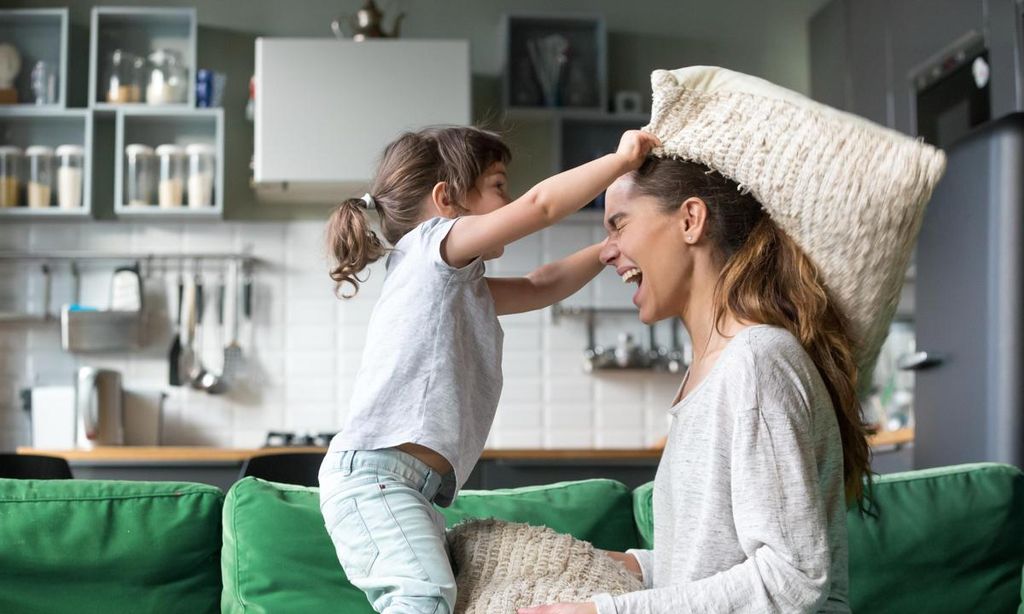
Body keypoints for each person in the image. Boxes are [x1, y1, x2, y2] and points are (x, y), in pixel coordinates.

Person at [519, 65, 944, 614]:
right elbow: (707, 565)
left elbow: (793, 581)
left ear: (690, 220)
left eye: (618, 225)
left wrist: (604, 612)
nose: (607, 252)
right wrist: (596, 569)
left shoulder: (758, 362)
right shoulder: (720, 369)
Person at [319, 124, 661, 614]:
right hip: (377, 480)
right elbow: (540, 206)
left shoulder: (456, 283)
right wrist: (620, 161)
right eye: (499, 185)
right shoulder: (431, 247)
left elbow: (541, 285)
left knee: (439, 600)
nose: (511, 197)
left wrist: (605, 249)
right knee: (422, 598)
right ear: (447, 201)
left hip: (404, 486)